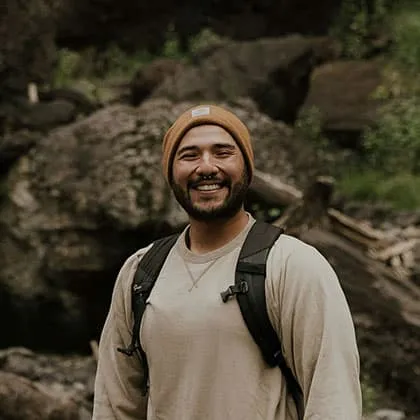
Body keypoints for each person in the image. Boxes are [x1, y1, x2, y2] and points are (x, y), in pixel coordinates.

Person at [92, 104, 362, 420]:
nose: (206, 167)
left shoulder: (293, 266)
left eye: (223, 153)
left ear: (246, 168)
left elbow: (333, 400)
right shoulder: (140, 272)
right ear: (171, 173)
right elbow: (114, 405)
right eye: (189, 155)